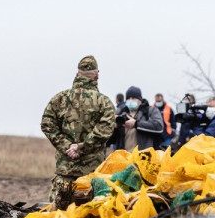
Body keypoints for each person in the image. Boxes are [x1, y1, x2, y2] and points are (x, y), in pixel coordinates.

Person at [41, 55, 116, 206]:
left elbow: (47, 124)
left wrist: (67, 146)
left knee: (55, 217)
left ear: (77, 75)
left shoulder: (60, 99)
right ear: (96, 75)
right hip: (91, 175)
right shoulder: (104, 102)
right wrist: (82, 147)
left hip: (65, 172)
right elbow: (104, 130)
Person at [113, 86, 165, 151]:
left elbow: (159, 127)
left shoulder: (150, 111)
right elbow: (111, 141)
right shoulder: (120, 112)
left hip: (143, 156)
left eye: (133, 98)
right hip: (124, 157)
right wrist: (113, 127)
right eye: (128, 98)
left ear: (140, 99)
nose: (130, 100)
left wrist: (136, 124)